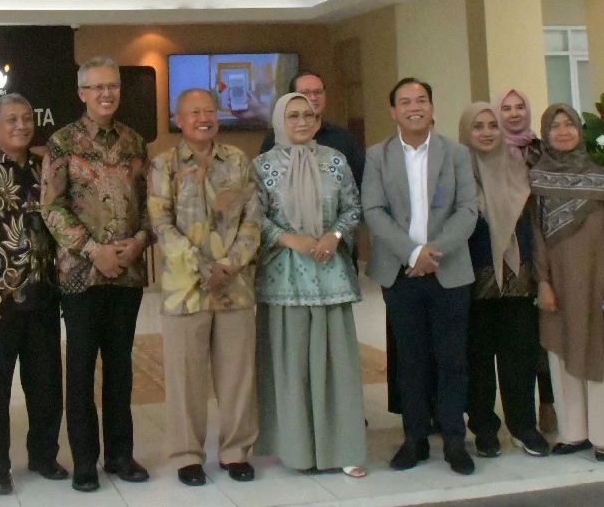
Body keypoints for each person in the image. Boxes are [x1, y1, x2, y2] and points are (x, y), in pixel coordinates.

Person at [41, 56, 151, 492]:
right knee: (81, 369)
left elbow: (148, 206)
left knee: (121, 368)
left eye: (113, 86)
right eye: (97, 87)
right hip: (80, 275)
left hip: (127, 273)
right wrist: (93, 251)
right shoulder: (62, 142)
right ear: (82, 93)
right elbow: (51, 207)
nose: (107, 94)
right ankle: (85, 461)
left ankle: (120, 455)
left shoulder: (134, 141)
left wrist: (138, 243)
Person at [0, 93, 69, 496]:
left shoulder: (46, 172)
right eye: (11, 120)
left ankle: (44, 456)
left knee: (46, 388)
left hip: (43, 299)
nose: (21, 126)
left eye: (26, 119)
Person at [362, 79, 478, 476]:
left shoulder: (456, 153)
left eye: (421, 100)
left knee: (452, 360)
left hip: (449, 270)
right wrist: (413, 254)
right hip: (401, 272)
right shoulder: (377, 155)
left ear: (432, 107)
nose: (415, 107)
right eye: (405, 102)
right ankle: (414, 439)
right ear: (393, 111)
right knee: (409, 361)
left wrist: (433, 253)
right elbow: (373, 210)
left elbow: (468, 209)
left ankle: (455, 440)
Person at [148, 88, 262, 487]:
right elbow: (160, 223)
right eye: (194, 112)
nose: (203, 118)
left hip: (235, 285)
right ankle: (187, 455)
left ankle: (235, 451)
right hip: (184, 289)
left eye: (209, 111)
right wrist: (202, 267)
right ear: (178, 120)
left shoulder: (238, 160)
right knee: (185, 379)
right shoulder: (163, 165)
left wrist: (229, 265)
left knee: (238, 376)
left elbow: (253, 220)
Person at [253, 92, 366, 477]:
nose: (302, 122)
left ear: (318, 121)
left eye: (309, 115)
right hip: (283, 276)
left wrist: (335, 235)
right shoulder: (262, 166)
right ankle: (295, 449)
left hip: (329, 272)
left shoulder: (335, 161)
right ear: (279, 121)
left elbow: (353, 207)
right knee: (291, 365)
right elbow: (254, 217)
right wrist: (290, 239)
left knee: (335, 365)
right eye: (293, 115)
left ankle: (343, 449)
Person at [531, 104, 604, 463]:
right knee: (561, 351)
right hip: (558, 282)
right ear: (545, 134)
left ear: (580, 130)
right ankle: (573, 433)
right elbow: (536, 236)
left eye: (569, 124)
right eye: (555, 126)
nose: (563, 131)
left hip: (600, 278)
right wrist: (542, 281)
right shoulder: (537, 178)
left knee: (603, 352)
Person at [458, 103, 550, 459]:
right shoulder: (457, 172)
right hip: (473, 279)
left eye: (492, 125)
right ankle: (484, 428)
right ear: (466, 132)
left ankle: (524, 427)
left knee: (519, 358)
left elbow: (534, 226)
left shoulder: (518, 168)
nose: (486, 132)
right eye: (478, 126)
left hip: (518, 279)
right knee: (478, 359)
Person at [498, 88, 559, 435]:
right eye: (506, 108)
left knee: (549, 329)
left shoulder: (542, 149)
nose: (514, 113)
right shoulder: (493, 151)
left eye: (520, 106)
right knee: (524, 335)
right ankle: (526, 411)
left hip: (551, 242)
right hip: (517, 249)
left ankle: (549, 402)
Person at [259, 70, 365, 184]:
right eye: (305, 93)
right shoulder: (274, 139)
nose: (313, 98)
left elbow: (359, 183)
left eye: (318, 92)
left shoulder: (343, 138)